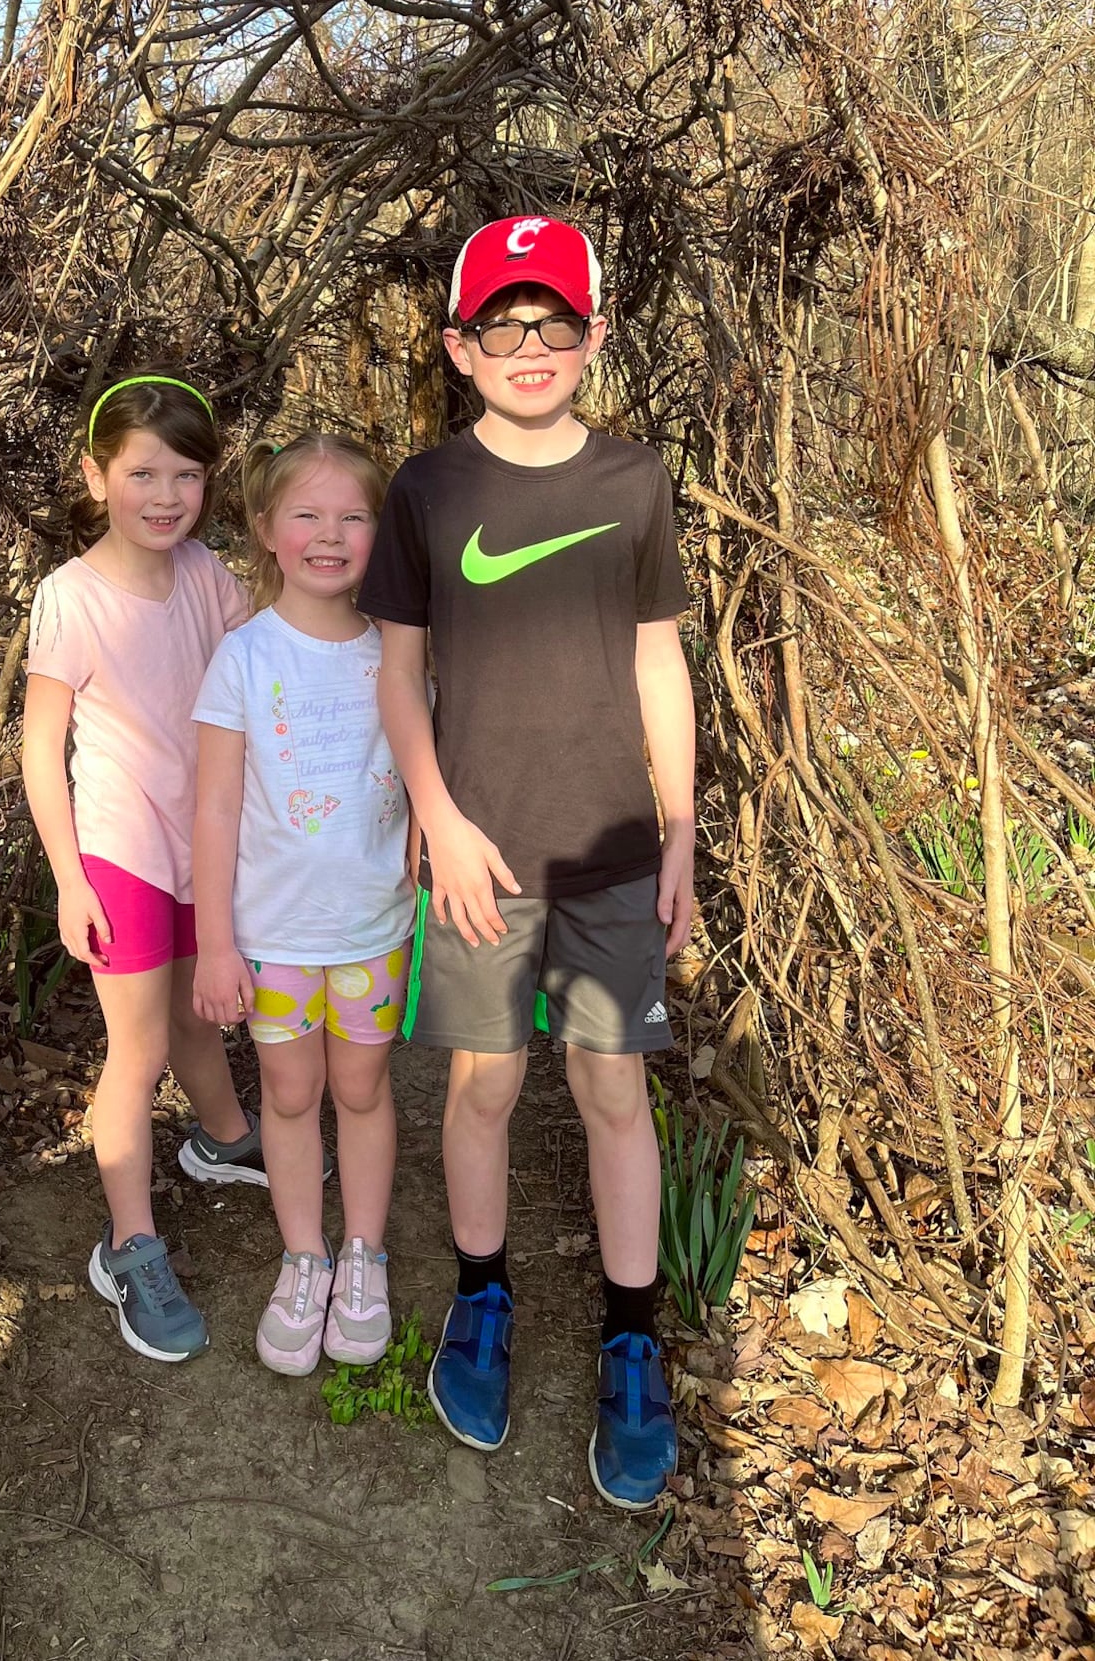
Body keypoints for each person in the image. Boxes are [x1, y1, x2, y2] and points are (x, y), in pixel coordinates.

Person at [358, 216, 695, 1509]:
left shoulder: (633, 484)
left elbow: (658, 661)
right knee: (486, 1087)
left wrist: (683, 831)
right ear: (460, 344)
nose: (532, 346)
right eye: (504, 322)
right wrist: (435, 814)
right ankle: (482, 1303)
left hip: (611, 847)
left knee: (614, 1091)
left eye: (557, 320)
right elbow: (399, 673)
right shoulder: (429, 492)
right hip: (477, 859)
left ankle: (630, 1338)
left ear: (595, 335)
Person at [21, 374, 268, 1365]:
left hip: (196, 845)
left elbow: (263, 659)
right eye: (142, 474)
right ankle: (129, 1246)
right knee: (135, 1051)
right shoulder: (70, 598)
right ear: (96, 475)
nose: (164, 496)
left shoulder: (205, 573)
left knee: (195, 1013)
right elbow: (41, 749)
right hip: (119, 853)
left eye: (186, 476)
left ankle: (221, 1139)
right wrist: (68, 877)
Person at [193, 433, 414, 1376]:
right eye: (308, 515)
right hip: (272, 937)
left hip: (374, 926)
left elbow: (424, 772)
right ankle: (304, 1257)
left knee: (360, 1087)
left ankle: (363, 1255)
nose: (331, 534)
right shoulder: (243, 657)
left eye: (354, 515)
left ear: (380, 532)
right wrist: (214, 946)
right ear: (267, 532)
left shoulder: (400, 655)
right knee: (290, 1094)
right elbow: (211, 806)